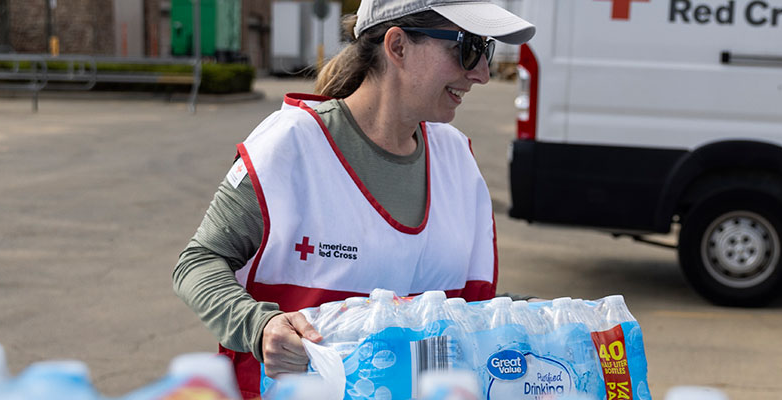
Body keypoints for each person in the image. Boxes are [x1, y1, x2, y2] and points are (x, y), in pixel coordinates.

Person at [172, 0, 536, 397]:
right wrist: (258, 326)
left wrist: (558, 319)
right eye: (467, 48)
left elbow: (471, 312)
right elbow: (199, 261)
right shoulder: (291, 146)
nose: (482, 73)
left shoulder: (458, 162)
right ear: (397, 47)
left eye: (486, 50)